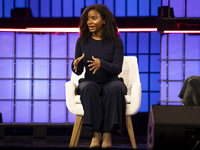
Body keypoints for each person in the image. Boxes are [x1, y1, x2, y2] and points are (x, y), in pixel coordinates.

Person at [71, 4, 127, 148]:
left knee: (116, 88)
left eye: (94, 18)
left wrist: (102, 64)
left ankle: (107, 136)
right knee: (88, 88)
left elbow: (117, 68)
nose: (89, 22)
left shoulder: (116, 41)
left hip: (111, 80)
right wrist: (75, 66)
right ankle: (95, 135)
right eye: (88, 19)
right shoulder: (82, 41)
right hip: (91, 80)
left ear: (104, 20)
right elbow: (79, 70)